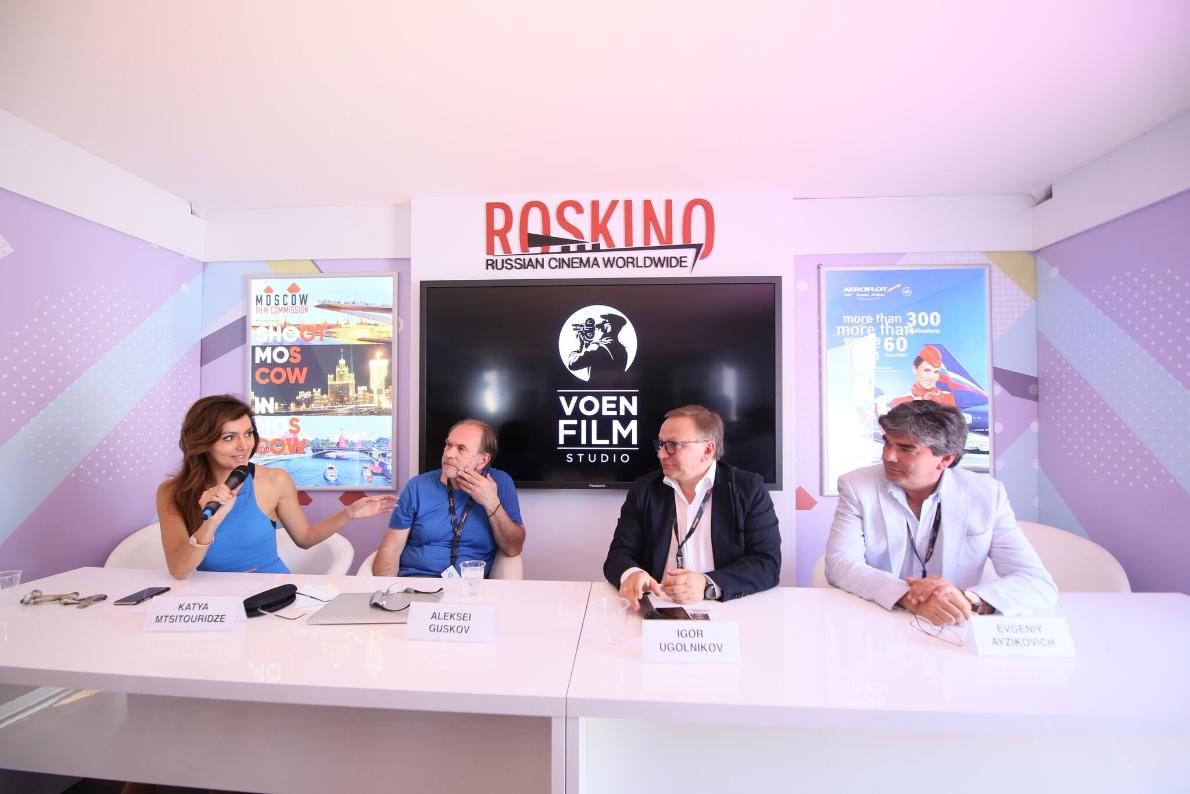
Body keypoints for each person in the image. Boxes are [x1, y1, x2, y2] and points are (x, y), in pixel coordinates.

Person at [825, 401, 1056, 624]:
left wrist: (968, 601)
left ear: (946, 459)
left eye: (906, 448)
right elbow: (840, 565)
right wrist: (908, 597)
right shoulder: (857, 486)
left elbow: (1036, 582)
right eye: (887, 443)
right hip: (879, 620)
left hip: (955, 625)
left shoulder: (986, 495)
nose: (888, 456)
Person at [157, 395, 396, 579]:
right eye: (229, 437)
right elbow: (179, 570)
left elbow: (305, 538)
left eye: (248, 434)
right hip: (212, 601)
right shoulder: (171, 492)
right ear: (202, 442)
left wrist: (349, 513)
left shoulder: (275, 480)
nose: (244, 446)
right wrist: (210, 522)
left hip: (272, 592)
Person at [604, 405, 781, 609]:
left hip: (728, 608)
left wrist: (707, 584)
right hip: (657, 606)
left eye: (672, 445)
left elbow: (767, 564)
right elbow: (618, 555)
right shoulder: (644, 489)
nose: (661, 454)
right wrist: (632, 574)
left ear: (707, 450)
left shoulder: (748, 490)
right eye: (660, 444)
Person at [373, 418, 525, 577]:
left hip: (468, 586)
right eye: (448, 445)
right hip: (415, 582)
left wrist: (492, 503)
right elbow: (390, 549)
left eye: (461, 448)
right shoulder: (417, 486)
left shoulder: (500, 483)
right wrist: (387, 589)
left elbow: (513, 548)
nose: (448, 454)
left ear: (482, 460)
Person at [891, 344, 956, 408]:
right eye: (927, 370)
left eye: (936, 372)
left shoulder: (947, 398)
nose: (932, 377)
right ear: (914, 369)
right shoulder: (900, 402)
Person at [567, 313, 629, 377]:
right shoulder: (623, 350)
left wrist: (580, 345)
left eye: (603, 322)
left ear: (608, 327)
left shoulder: (597, 347)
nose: (598, 326)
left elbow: (573, 365)